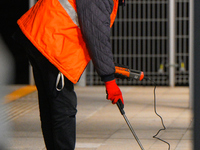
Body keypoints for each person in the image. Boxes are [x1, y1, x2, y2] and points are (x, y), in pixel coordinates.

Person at [13, 0, 125, 149]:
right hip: (54, 42)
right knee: (63, 109)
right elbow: (96, 34)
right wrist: (109, 80)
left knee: (50, 105)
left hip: (41, 34)